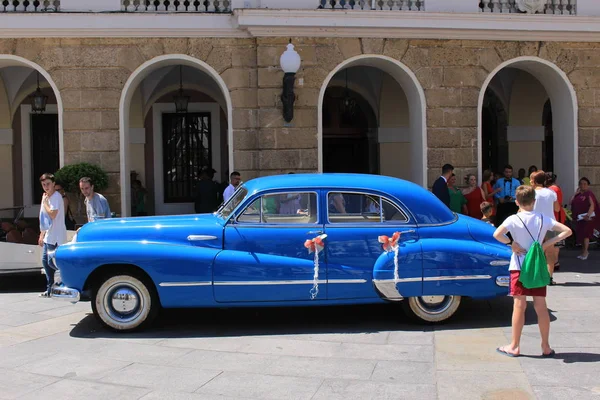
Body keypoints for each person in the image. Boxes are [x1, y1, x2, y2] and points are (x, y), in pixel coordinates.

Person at [493, 185, 572, 358]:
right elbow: (567, 231)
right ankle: (545, 346)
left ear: (517, 202)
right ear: (534, 201)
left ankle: (514, 345)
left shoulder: (512, 219)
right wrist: (545, 244)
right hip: (536, 266)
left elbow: (497, 234)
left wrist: (511, 244)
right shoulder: (543, 218)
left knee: (519, 306)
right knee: (540, 306)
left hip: (519, 266)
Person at [38, 173, 67, 298]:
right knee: (45, 261)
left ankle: (61, 283)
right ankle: (50, 288)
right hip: (48, 235)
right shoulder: (46, 197)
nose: (46, 187)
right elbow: (44, 218)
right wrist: (41, 234)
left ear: (54, 184)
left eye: (48, 184)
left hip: (56, 236)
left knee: (52, 262)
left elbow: (52, 214)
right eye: (44, 185)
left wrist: (44, 203)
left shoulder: (56, 197)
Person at [530, 171, 560, 285]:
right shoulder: (551, 192)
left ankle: (535, 276)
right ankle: (549, 277)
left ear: (534, 181)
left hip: (534, 225)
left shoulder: (531, 193)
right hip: (550, 225)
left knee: (533, 251)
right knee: (550, 252)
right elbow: (557, 208)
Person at [570, 177, 599, 260]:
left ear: (588, 185)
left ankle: (585, 252)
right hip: (579, 218)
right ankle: (583, 251)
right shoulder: (578, 194)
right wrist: (575, 194)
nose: (583, 185)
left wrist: (588, 215)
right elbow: (570, 202)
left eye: (585, 184)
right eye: (581, 184)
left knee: (586, 235)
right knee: (581, 235)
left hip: (587, 218)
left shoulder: (589, 194)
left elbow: (592, 205)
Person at [546, 172, 566, 271]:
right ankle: (555, 261)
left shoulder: (552, 190)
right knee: (555, 241)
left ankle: (555, 262)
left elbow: (556, 207)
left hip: (555, 217)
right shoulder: (556, 188)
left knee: (554, 241)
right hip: (557, 216)